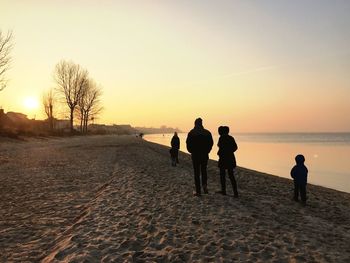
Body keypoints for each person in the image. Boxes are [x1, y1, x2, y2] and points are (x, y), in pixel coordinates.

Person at [186, 118, 213, 196]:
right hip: (204, 154)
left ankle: (198, 190)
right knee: (204, 171)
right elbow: (211, 143)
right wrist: (208, 151)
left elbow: (188, 144)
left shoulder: (192, 133)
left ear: (195, 123)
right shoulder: (207, 133)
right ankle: (204, 185)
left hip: (195, 155)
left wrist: (191, 151)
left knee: (196, 172)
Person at [217, 126, 239, 197]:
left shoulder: (221, 138)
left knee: (223, 175)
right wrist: (230, 151)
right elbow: (235, 147)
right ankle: (235, 192)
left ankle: (224, 191)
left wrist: (223, 152)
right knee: (231, 175)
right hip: (230, 158)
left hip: (223, 158)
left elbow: (220, 147)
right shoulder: (231, 138)